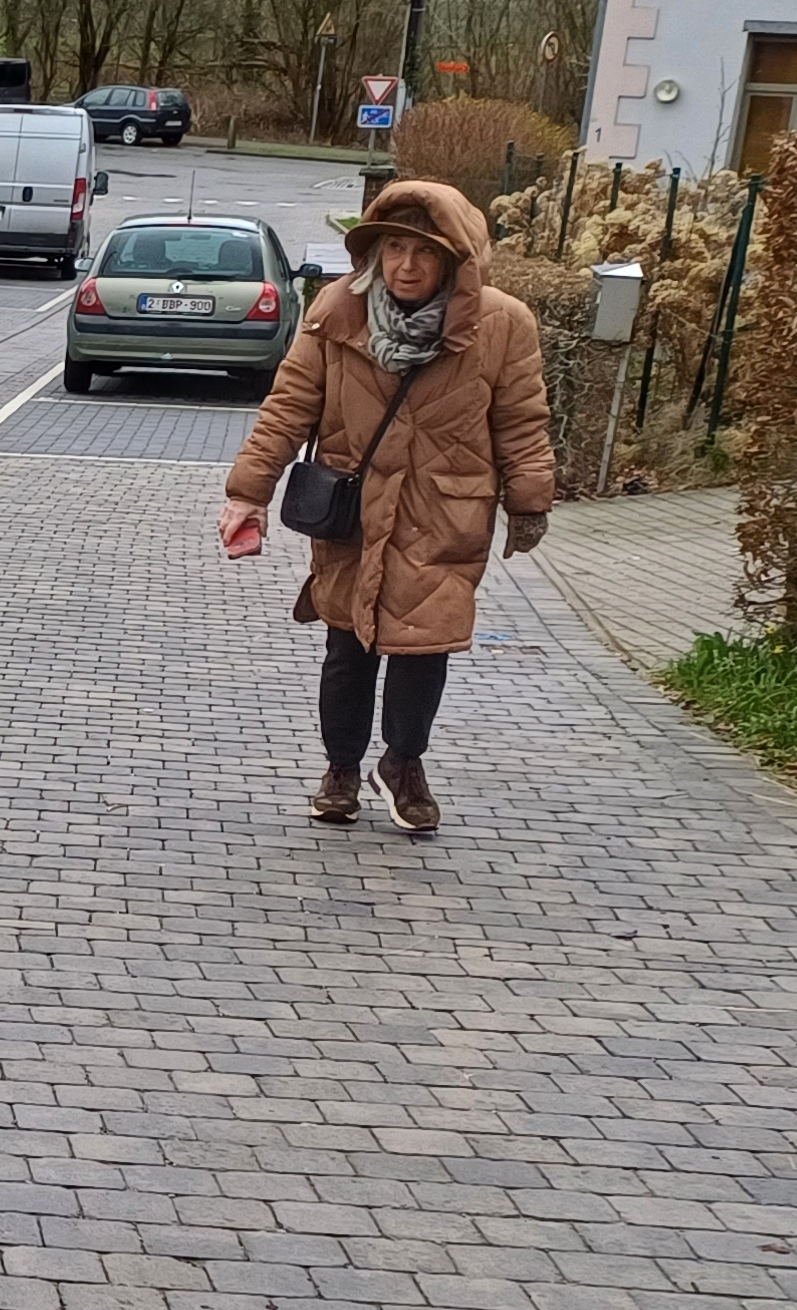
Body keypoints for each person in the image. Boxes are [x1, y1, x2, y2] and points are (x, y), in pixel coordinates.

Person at [221, 181, 556, 834]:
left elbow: (522, 420)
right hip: (354, 513)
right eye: (394, 248)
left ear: (456, 259)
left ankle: (404, 763)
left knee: (425, 649)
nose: (406, 265)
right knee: (348, 648)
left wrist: (529, 501)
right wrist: (248, 492)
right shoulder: (336, 311)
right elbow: (288, 406)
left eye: (424, 251)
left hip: (445, 515)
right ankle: (341, 769)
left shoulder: (502, 324)